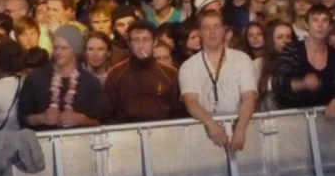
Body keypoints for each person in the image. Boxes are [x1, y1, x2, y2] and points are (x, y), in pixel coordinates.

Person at [179, 10, 258, 152]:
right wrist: (210, 123)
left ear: (224, 30)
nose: (212, 32)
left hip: (241, 130)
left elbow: (249, 96)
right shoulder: (189, 66)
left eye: (216, 27)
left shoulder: (242, 60)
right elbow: (190, 100)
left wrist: (240, 129)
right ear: (199, 33)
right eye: (207, 27)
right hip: (204, 133)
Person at [16, 24, 109, 130]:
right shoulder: (36, 78)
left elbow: (102, 122)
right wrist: (42, 118)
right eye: (56, 47)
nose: (58, 52)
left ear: (75, 51)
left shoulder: (90, 82)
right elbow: (22, 118)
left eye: (64, 48)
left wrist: (83, 120)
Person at [103, 23, 184, 124]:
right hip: (126, 129)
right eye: (136, 40)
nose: (141, 45)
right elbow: (108, 111)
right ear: (129, 43)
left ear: (154, 42)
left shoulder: (170, 73)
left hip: (162, 129)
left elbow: (177, 110)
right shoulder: (116, 74)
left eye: (146, 40)